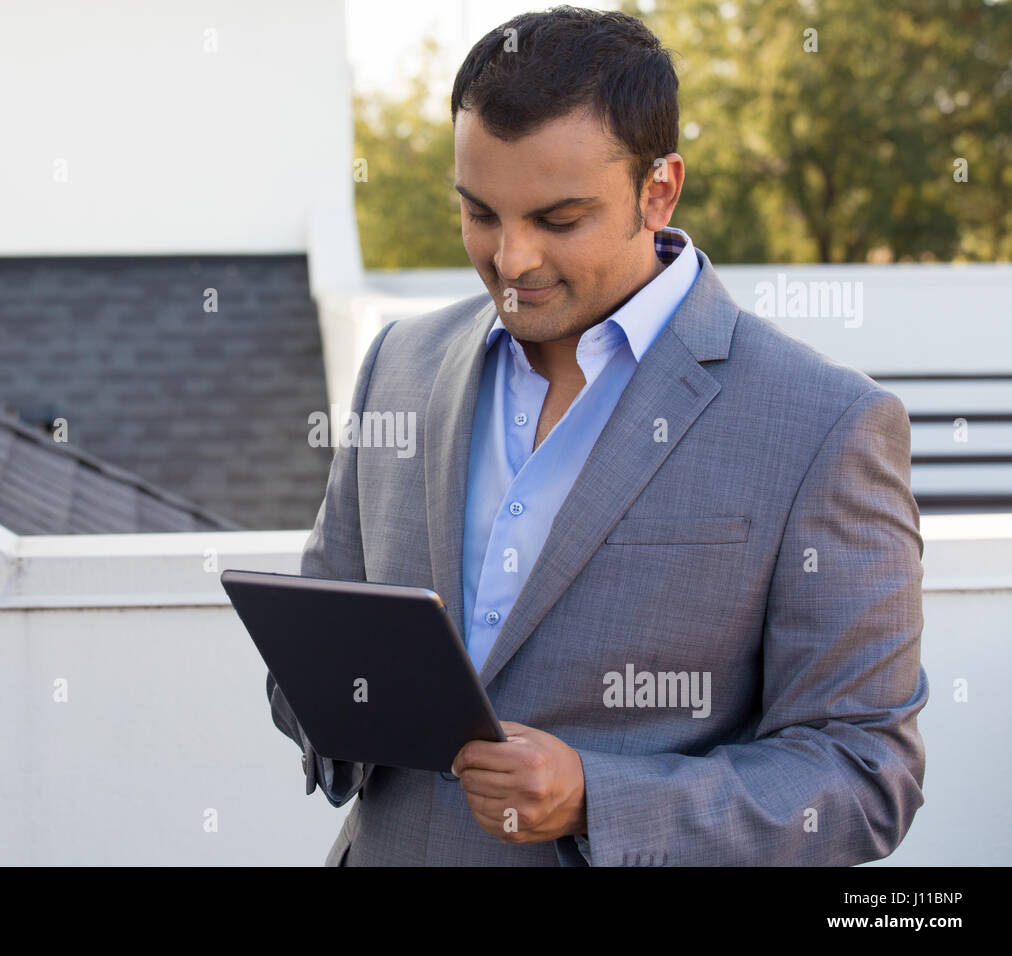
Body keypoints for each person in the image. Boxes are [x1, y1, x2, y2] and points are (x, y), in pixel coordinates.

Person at [267, 6, 926, 866]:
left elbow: (863, 771)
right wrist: (331, 697)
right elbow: (315, 657)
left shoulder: (825, 425)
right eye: (480, 214)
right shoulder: (401, 362)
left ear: (659, 190)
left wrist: (595, 799)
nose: (512, 261)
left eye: (558, 219)